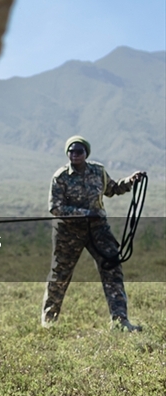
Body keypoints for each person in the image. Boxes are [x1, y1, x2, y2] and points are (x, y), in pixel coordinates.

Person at [42, 136, 146, 331]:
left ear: (85, 153)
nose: (75, 155)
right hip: (68, 232)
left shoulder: (98, 171)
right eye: (71, 151)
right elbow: (55, 208)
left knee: (112, 269)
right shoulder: (61, 177)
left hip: (98, 229)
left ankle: (121, 322)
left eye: (79, 151)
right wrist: (83, 213)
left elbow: (112, 189)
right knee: (60, 274)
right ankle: (49, 322)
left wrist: (130, 181)